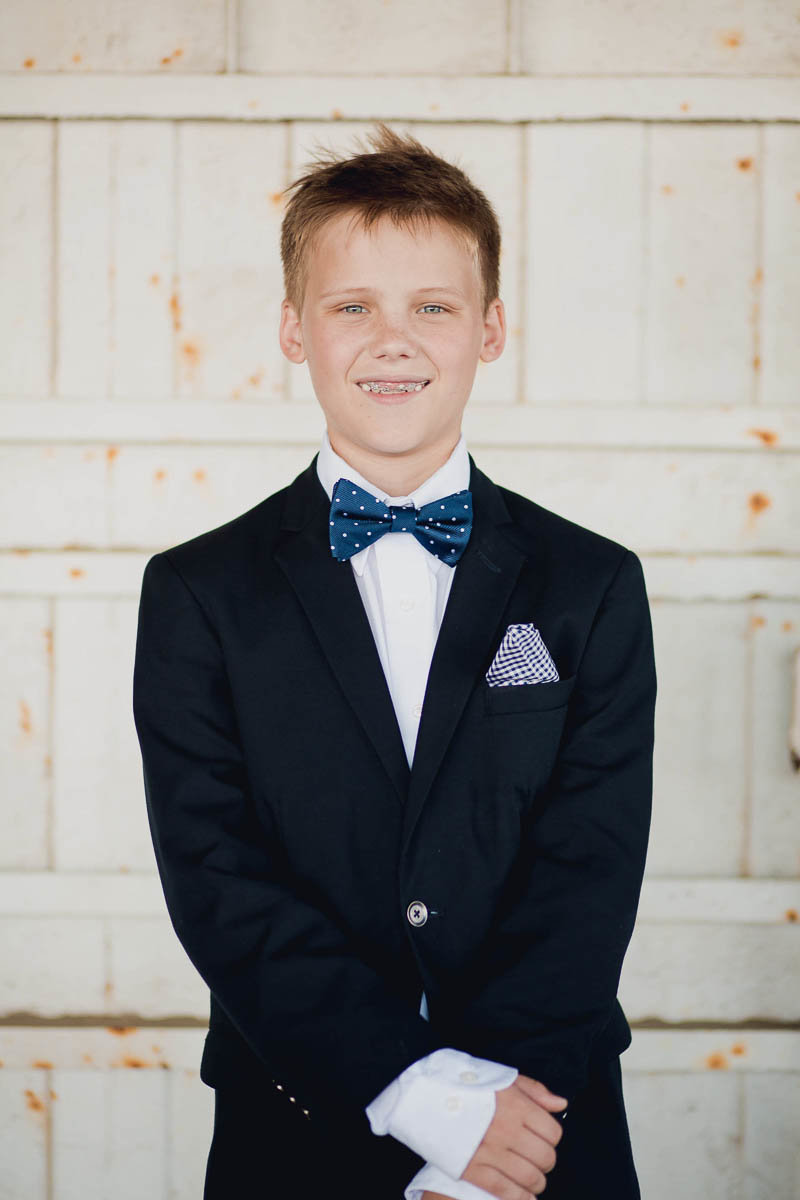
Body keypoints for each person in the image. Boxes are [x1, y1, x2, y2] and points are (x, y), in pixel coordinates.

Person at [132, 122, 657, 1200]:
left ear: (489, 328)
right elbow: (216, 877)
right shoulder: (197, 592)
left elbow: (588, 867)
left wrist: (491, 1133)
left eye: (432, 306)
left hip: (541, 1125)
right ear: (293, 329)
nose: (392, 339)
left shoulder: (590, 583)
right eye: (351, 306)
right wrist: (419, 1095)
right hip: (297, 1120)